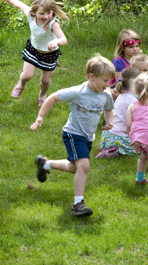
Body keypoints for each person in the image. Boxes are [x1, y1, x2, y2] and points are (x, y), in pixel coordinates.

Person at [31, 55, 114, 217]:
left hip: (88, 136)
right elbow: (53, 97)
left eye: (109, 81)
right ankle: (78, 204)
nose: (107, 84)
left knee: (75, 167)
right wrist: (40, 117)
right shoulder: (78, 92)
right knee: (84, 167)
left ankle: (45, 164)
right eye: (104, 80)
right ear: (91, 77)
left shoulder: (106, 94)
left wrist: (109, 120)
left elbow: (109, 108)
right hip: (73, 134)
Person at [3, 0, 68, 106]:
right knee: (27, 75)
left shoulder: (53, 23)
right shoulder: (30, 15)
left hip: (50, 54)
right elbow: (20, 5)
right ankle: (21, 84)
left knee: (45, 81)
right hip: (33, 50)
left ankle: (42, 94)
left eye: (49, 13)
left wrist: (55, 42)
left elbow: (63, 39)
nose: (46, 16)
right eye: (42, 13)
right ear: (34, 12)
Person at [97, 67, 142, 158]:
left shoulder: (121, 95)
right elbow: (134, 124)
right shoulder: (132, 101)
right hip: (119, 138)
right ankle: (115, 150)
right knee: (139, 148)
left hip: (107, 136)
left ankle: (108, 147)